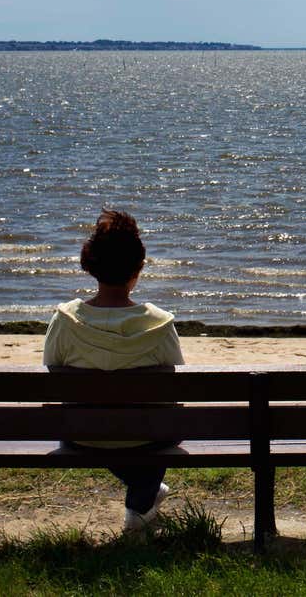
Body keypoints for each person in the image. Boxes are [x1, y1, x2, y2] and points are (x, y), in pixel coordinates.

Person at [43, 209, 184, 533]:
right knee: (164, 417)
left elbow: (53, 371)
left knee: (112, 418)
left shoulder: (64, 320)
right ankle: (142, 497)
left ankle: (144, 493)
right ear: (138, 268)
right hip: (146, 438)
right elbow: (171, 389)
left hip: (81, 434)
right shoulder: (161, 323)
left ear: (91, 265)